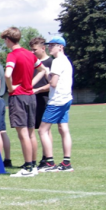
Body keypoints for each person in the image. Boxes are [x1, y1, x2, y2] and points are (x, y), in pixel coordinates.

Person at [1, 27, 45, 177]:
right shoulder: (29, 54)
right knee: (31, 133)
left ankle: (27, 168)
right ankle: (33, 165)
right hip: (30, 96)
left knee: (23, 134)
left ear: (8, 39)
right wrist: (31, 84)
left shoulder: (12, 55)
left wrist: (10, 87)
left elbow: (7, 74)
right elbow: (43, 70)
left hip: (18, 97)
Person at [37, 36, 74, 172]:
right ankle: (66, 163)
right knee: (63, 129)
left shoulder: (57, 62)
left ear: (60, 47)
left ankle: (50, 163)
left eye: (53, 45)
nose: (49, 47)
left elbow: (53, 83)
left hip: (57, 100)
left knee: (42, 130)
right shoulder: (66, 61)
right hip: (66, 98)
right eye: (49, 45)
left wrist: (46, 72)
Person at [29, 37, 54, 169]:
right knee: (32, 129)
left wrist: (37, 90)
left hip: (44, 99)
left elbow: (53, 84)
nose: (32, 53)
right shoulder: (34, 63)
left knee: (46, 130)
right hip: (32, 99)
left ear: (43, 48)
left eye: (35, 50)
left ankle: (47, 157)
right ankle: (31, 160)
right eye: (31, 50)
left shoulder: (50, 62)